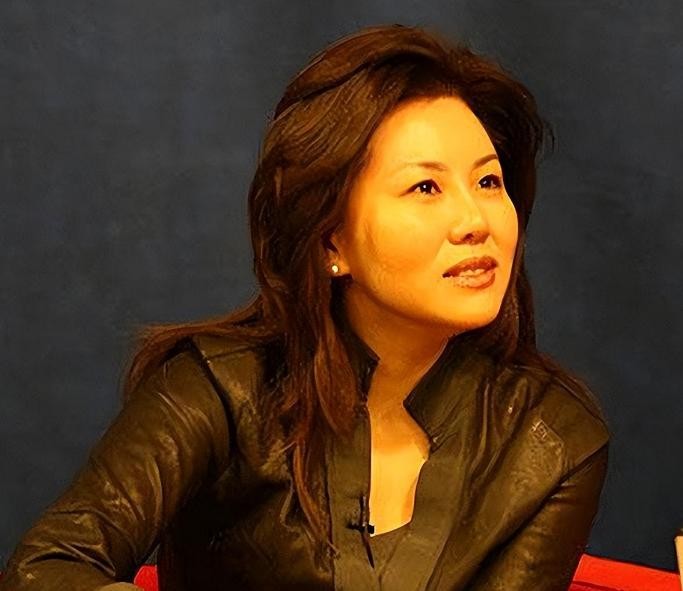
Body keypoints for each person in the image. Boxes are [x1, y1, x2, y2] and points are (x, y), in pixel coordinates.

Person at [0, 23, 611, 591]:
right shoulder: (219, 389)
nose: (475, 221)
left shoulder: (552, 441)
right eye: (426, 187)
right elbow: (47, 569)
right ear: (329, 242)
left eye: (488, 182)